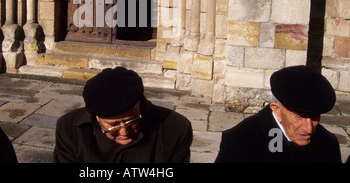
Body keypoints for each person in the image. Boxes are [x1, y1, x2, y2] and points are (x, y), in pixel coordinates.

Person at [53, 66, 193, 162]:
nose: (124, 131)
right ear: (97, 118)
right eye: (113, 125)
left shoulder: (176, 129)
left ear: (139, 105)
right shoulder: (69, 129)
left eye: (131, 121)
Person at [215, 65, 341, 163]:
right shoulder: (240, 142)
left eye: (314, 117)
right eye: (300, 117)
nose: (308, 128)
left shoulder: (327, 144)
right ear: (277, 110)